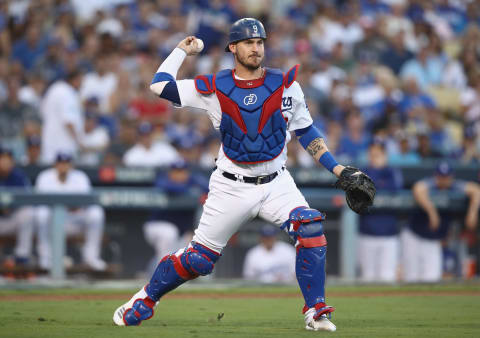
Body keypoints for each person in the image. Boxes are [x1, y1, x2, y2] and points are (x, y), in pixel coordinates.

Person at [113, 18, 371, 332]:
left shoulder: (286, 85)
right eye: (248, 42)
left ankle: (316, 311)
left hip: (276, 181)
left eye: (260, 42)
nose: (255, 48)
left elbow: (306, 133)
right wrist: (181, 50)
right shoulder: (214, 87)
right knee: (199, 261)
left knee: (310, 228)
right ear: (233, 47)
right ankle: (146, 298)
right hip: (231, 184)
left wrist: (339, 169)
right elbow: (160, 86)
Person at [402, 161, 480, 282]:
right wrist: (432, 212)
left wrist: (472, 212)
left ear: (451, 176)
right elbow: (417, 188)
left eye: (446, 177)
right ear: (436, 176)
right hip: (414, 237)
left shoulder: (455, 186)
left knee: (432, 279)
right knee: (411, 278)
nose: (444, 180)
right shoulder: (431, 184)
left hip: (433, 242)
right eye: (441, 177)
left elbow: (476, 190)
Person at [34, 153, 107, 271]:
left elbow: (84, 203)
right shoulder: (45, 177)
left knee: (96, 212)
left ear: (71, 165)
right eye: (61, 163)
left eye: (66, 163)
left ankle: (91, 258)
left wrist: (68, 206)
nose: (63, 166)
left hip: (75, 220)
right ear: (55, 164)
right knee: (41, 213)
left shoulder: (80, 177)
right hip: (52, 222)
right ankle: (45, 258)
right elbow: (40, 203)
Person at [143, 158, 209, 271]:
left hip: (181, 231)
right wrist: (190, 190)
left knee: (184, 251)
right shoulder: (163, 181)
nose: (179, 175)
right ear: (170, 172)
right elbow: (169, 187)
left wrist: (192, 188)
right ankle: (163, 273)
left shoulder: (193, 180)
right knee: (169, 233)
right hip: (157, 225)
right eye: (176, 171)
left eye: (182, 171)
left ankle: (153, 272)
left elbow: (207, 187)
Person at [357, 142, 403, 282]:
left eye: (377, 155)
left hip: (389, 235)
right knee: (367, 278)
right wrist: (377, 177)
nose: (374, 158)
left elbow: (395, 188)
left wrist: (377, 176)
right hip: (366, 234)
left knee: (387, 277)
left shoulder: (391, 172)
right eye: (372, 155)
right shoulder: (362, 172)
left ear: (385, 156)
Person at [40, 70, 84, 164]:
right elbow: (68, 121)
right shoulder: (66, 92)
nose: (81, 84)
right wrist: (79, 142)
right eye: (80, 81)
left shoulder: (54, 89)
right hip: (63, 144)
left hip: (50, 141)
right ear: (75, 79)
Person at [0, 147, 35, 265]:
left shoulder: (19, 176)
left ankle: (22, 256)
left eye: (8, 159)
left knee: (27, 213)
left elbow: (28, 199)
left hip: (13, 219)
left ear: (12, 162)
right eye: (2, 159)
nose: (5, 162)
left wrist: (11, 207)